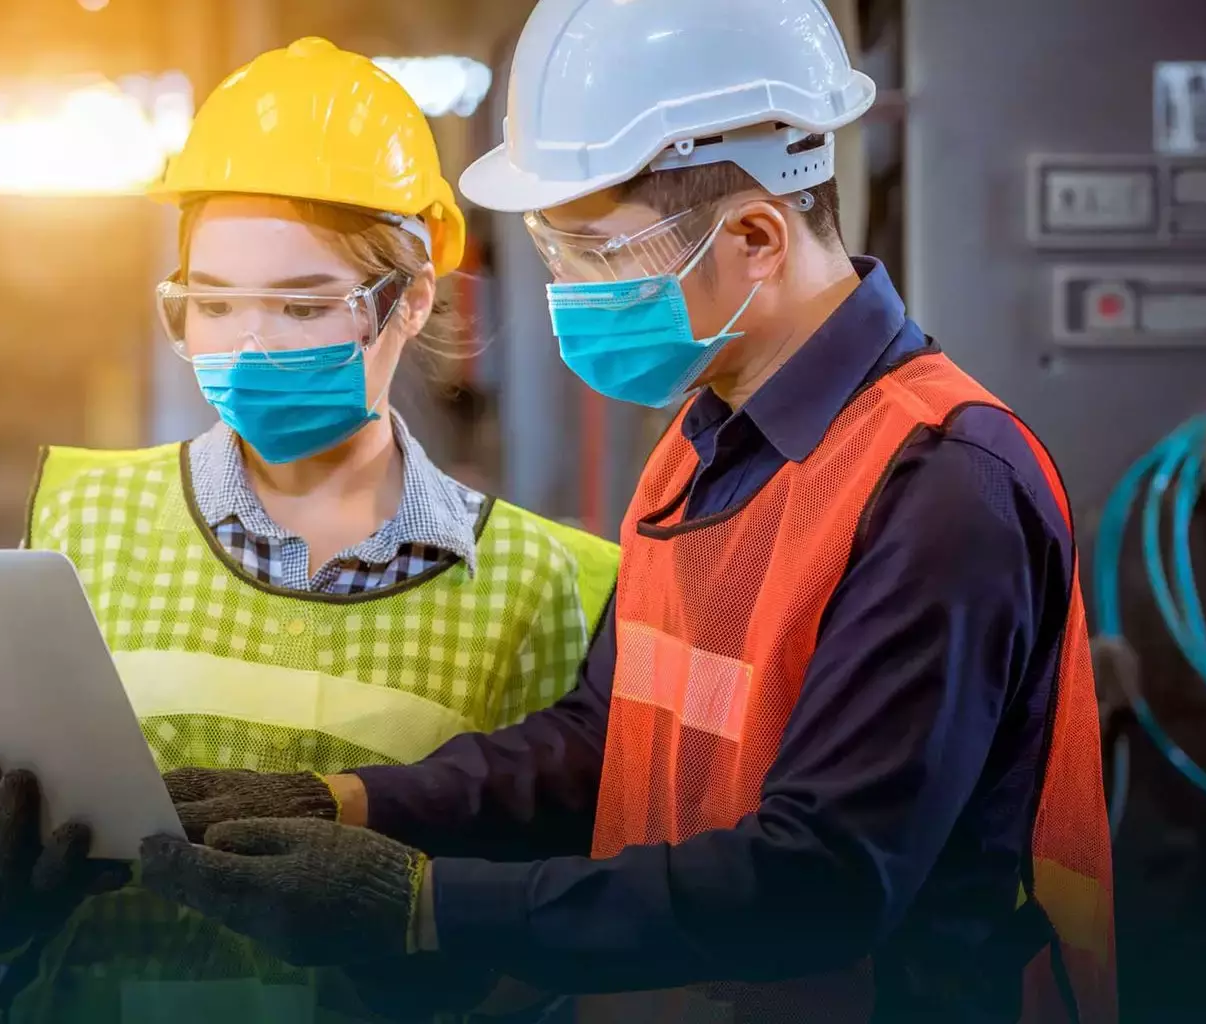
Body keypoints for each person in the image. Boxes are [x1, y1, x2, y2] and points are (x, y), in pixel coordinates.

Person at [133, 3, 1118, 1022]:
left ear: (754, 236)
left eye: (594, 252)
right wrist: (350, 802)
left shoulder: (943, 483)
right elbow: (605, 737)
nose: (566, 289)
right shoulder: (699, 444)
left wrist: (424, 906)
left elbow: (822, 879)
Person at [0, 37, 619, 1024]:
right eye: (213, 302)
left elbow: (572, 938)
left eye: (298, 304)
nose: (245, 343)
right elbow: (10, 917)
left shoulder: (551, 587)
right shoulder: (81, 525)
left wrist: (437, 958)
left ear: (409, 301)